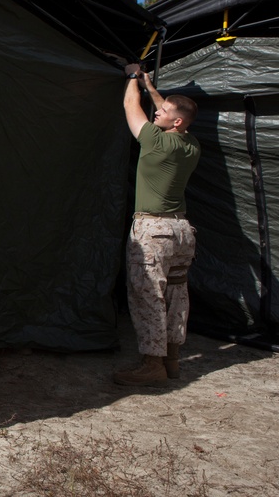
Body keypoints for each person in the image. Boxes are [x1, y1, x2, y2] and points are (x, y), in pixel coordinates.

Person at [115, 64, 201, 387]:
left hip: (154, 232)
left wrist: (132, 78)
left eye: (162, 111)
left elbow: (130, 106)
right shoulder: (190, 145)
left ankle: (152, 364)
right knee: (177, 295)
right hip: (181, 232)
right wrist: (153, 89)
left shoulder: (155, 142)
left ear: (175, 122)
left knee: (148, 294)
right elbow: (171, 114)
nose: (157, 112)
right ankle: (172, 360)